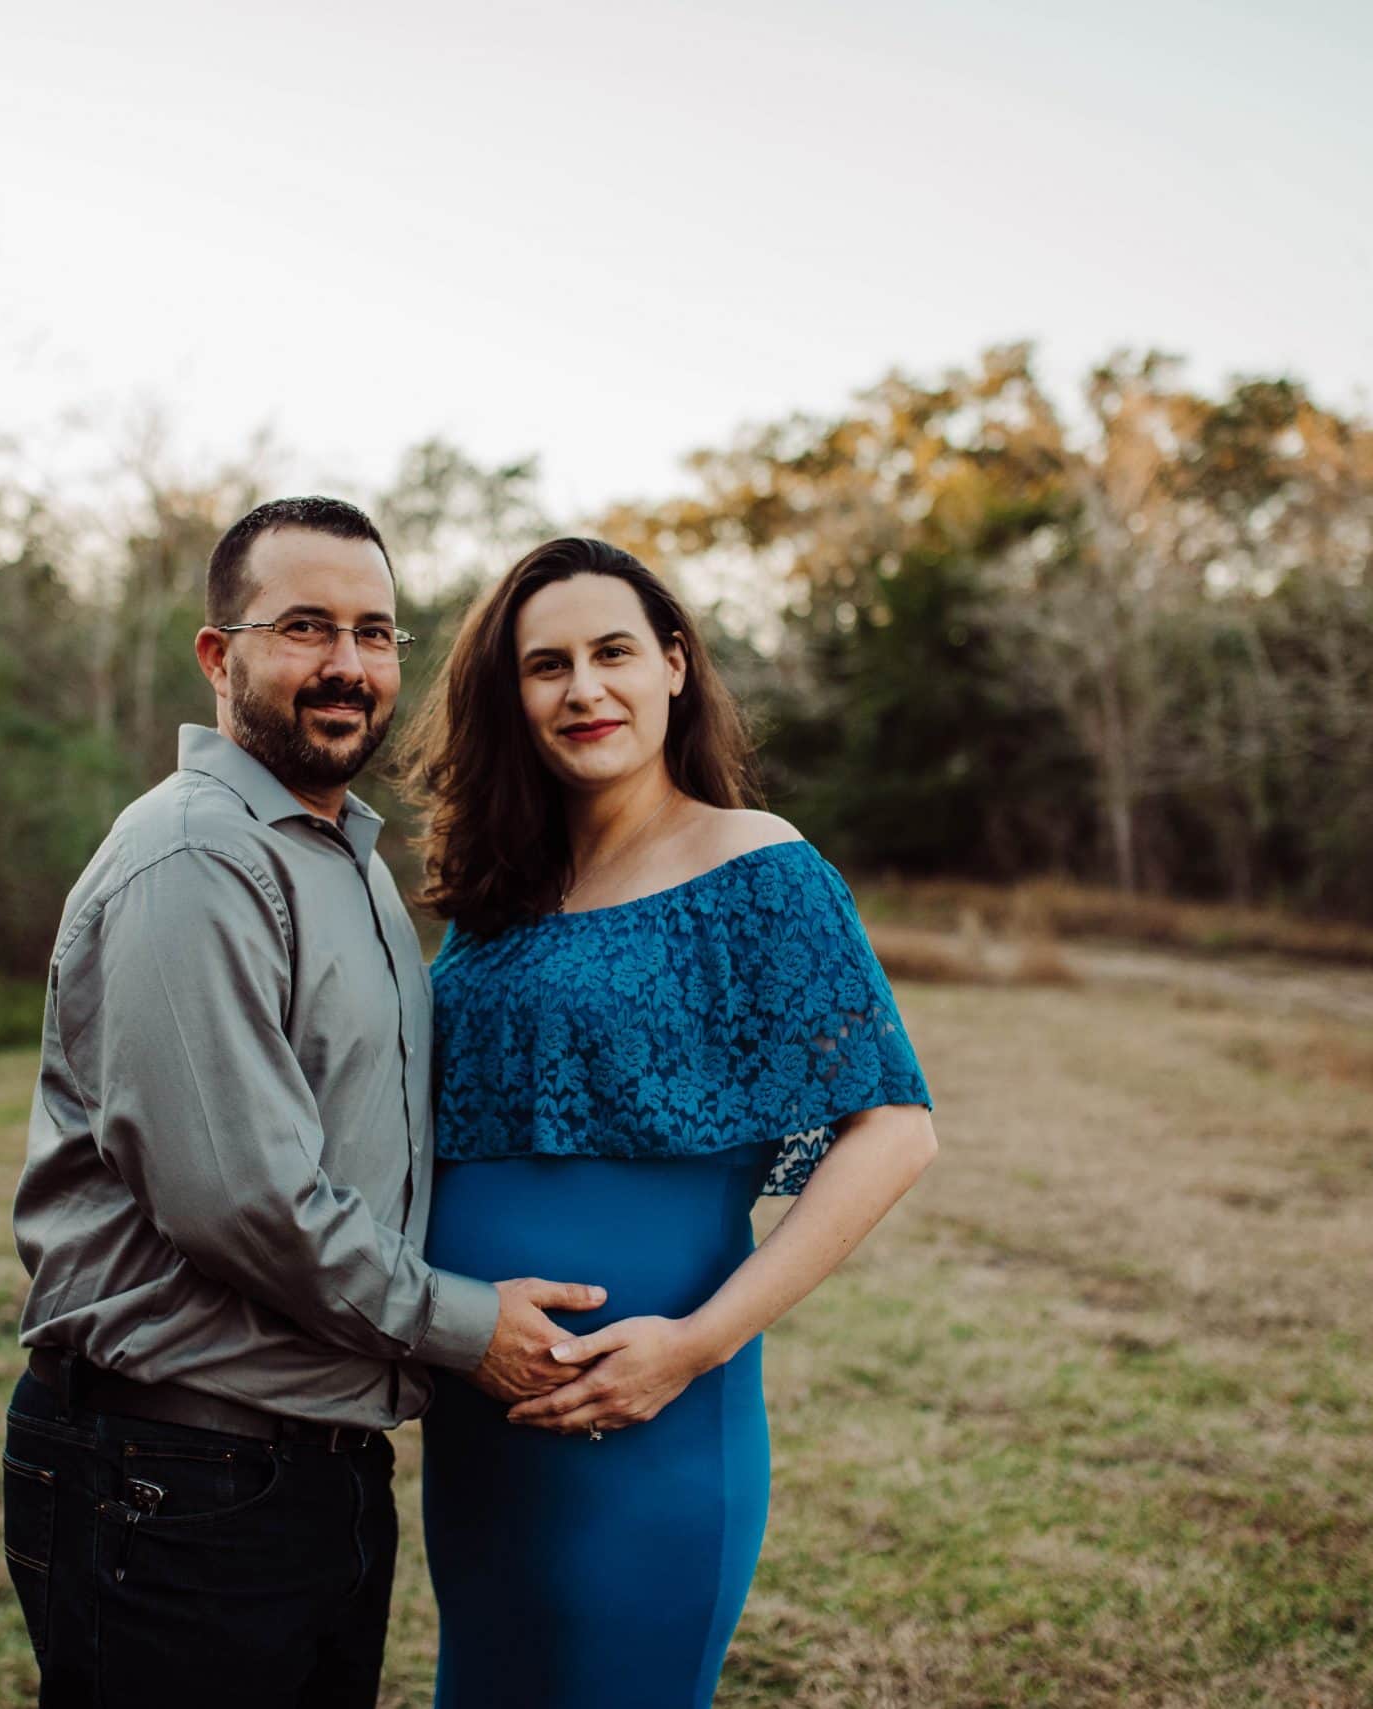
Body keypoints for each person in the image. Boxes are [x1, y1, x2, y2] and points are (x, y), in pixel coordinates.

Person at [4, 497, 608, 1709]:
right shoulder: (195, 858)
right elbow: (245, 1201)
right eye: (305, 628)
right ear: (219, 656)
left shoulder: (345, 863)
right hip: (178, 1473)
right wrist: (465, 1323)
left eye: (375, 633)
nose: (347, 665)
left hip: (310, 1471)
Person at [399, 536, 941, 1708]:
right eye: (547, 665)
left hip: (653, 1411)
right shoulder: (494, 899)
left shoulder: (759, 867)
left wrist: (690, 1346)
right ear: (512, 695)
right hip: (481, 1415)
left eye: (612, 653)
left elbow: (894, 1128)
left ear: (675, 666)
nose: (582, 688)